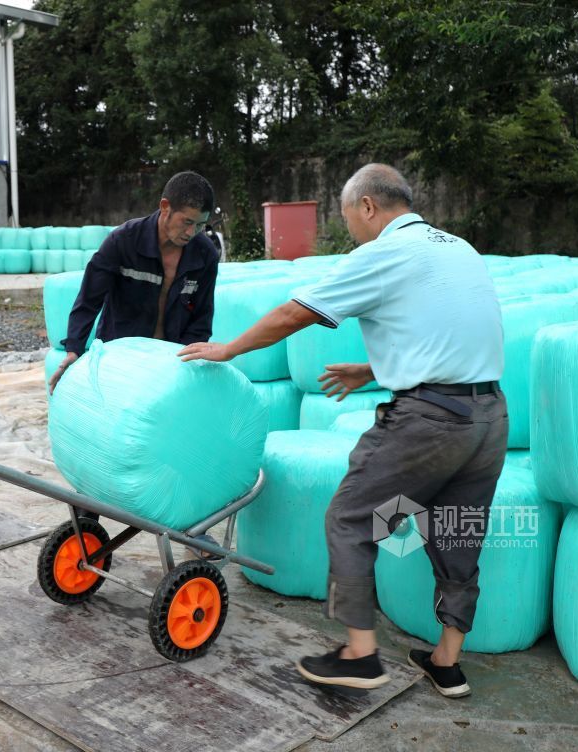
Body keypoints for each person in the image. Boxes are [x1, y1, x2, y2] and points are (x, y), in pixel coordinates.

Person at [180, 163, 507, 699]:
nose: (350, 226)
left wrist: (228, 348)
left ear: (368, 207)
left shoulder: (383, 252)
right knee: (455, 530)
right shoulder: (458, 249)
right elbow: (454, 336)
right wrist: (372, 371)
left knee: (352, 517)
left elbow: (295, 314)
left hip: (431, 421)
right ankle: (447, 662)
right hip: (489, 417)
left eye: (348, 214)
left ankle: (359, 654)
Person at [47, 171, 219, 392]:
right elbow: (89, 299)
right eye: (187, 222)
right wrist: (74, 348)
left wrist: (183, 365)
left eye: (199, 225)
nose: (191, 232)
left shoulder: (205, 255)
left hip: (171, 362)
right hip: (120, 358)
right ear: (165, 207)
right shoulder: (123, 241)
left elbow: (202, 317)